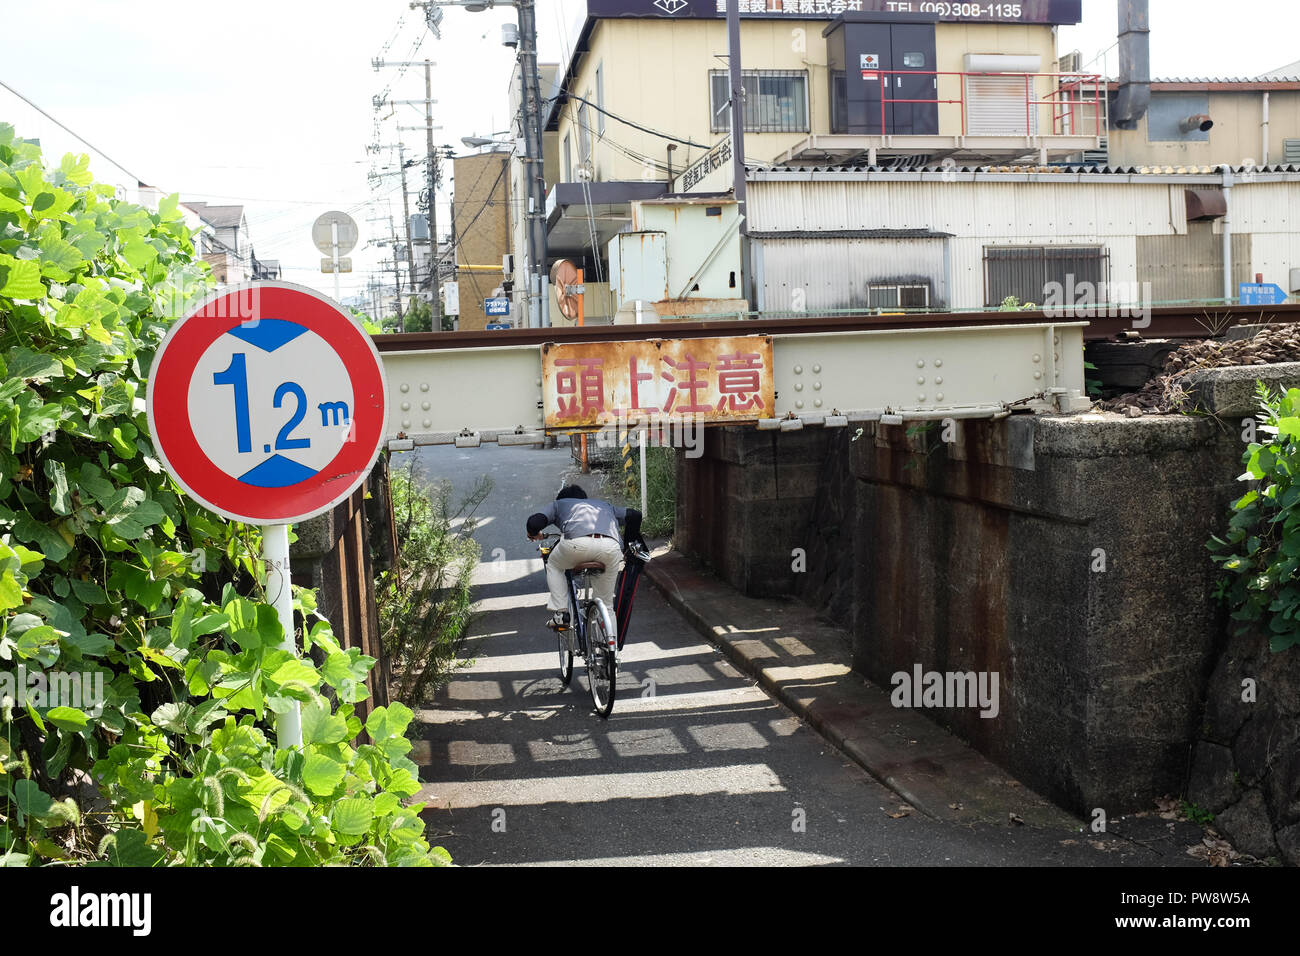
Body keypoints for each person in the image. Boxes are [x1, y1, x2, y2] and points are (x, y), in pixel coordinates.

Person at [526, 485, 641, 635]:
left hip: (576, 544)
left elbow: (534, 523)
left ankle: (562, 613)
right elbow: (635, 515)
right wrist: (627, 546)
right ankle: (610, 651)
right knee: (606, 605)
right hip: (611, 547)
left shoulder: (559, 504)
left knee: (553, 565)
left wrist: (534, 534)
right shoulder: (604, 506)